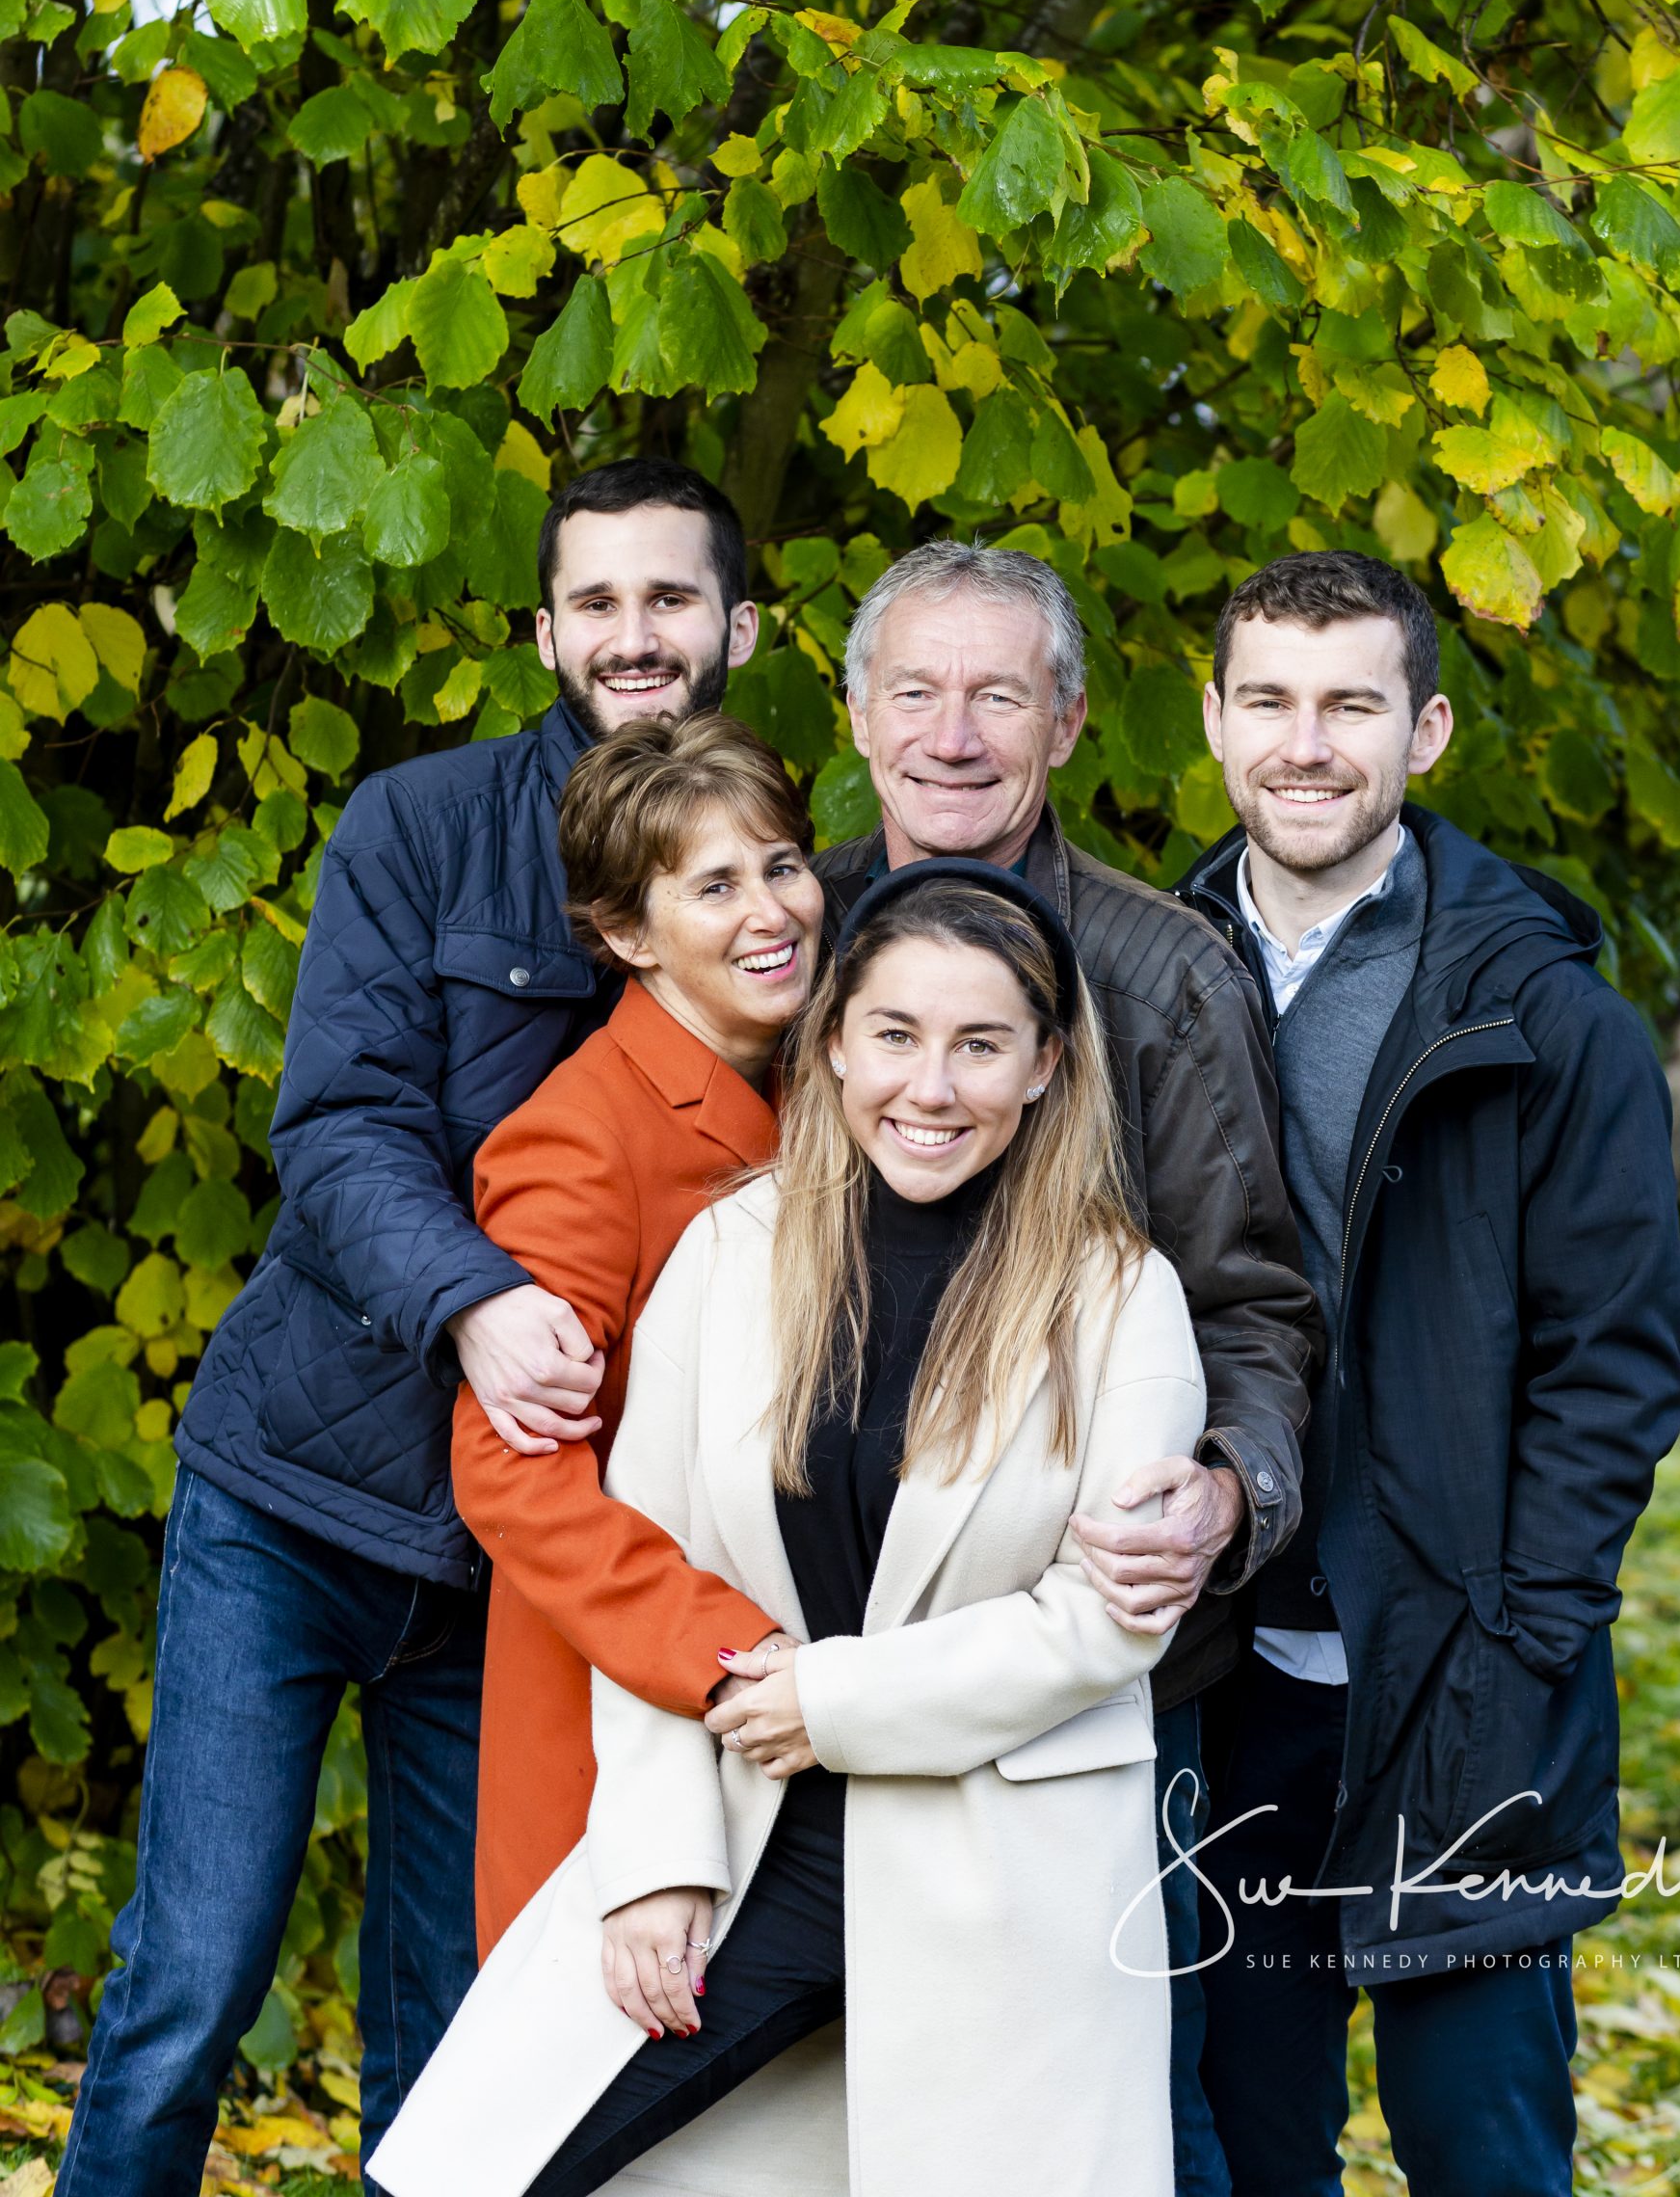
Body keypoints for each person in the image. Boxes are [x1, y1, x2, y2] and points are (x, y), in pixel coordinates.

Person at [58, 458, 760, 2196]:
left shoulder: (759, 868)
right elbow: (340, 1122)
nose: (635, 634)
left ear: (737, 626)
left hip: (511, 1569)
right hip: (297, 1494)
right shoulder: (423, 825)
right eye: (596, 601)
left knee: (466, 2010)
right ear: (542, 630)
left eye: (670, 598)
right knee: (194, 1973)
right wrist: (474, 1301)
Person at [371, 868, 1209, 2197]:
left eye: (981, 1044)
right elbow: (653, 1571)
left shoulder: (1121, 1297)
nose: (930, 1087)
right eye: (895, 1034)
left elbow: (1105, 1616)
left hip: (993, 1867)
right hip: (755, 1825)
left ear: (1047, 1065)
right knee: (469, 2162)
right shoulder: (733, 1255)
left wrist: (836, 1697)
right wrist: (653, 1860)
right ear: (831, 1041)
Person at [812, 538, 1316, 2197]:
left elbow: (1252, 1301)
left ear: (1070, 722)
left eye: (998, 695)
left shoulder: (1164, 973)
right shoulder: (788, 940)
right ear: (856, 711)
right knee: (813, 2099)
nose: (954, 735)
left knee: (1113, 2117)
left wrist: (1226, 1488)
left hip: (1087, 1670)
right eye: (918, 691)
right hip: (816, 1638)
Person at [1181, 551, 1680, 2197]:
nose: (1303, 743)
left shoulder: (1548, 1018)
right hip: (1218, 1669)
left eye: (1349, 704)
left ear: (1427, 732)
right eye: (1266, 699)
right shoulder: (1130, 982)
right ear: (1211, 719)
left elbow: (1609, 1367)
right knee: (1251, 2149)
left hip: (1462, 1680)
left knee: (1482, 2151)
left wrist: (1522, 1631)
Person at [454, 712, 827, 1951]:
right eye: (715, 885)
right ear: (625, 934)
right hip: (632, 1688)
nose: (770, 910)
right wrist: (725, 1652)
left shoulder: (833, 1082)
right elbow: (514, 1479)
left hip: (809, 1681)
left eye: (781, 865)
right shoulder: (583, 1137)